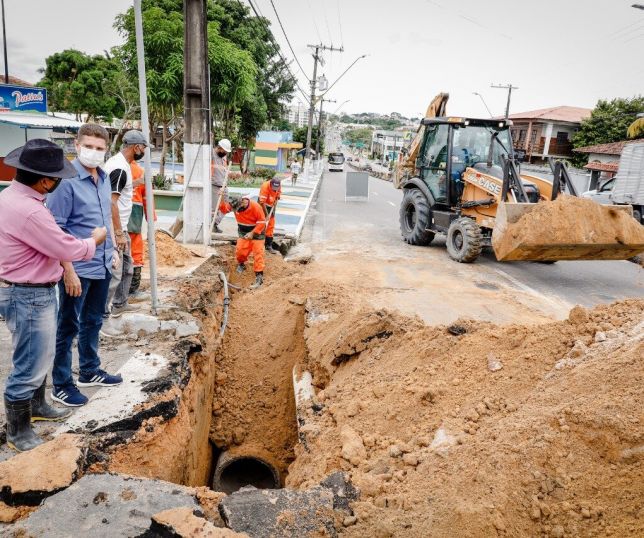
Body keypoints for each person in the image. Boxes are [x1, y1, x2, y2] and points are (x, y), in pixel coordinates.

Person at [0, 139, 107, 451]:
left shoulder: (12, 197)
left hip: (22, 289)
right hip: (29, 294)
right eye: (56, 178)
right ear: (45, 180)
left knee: (38, 353)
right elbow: (65, 247)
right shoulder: (31, 211)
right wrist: (94, 240)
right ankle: (18, 432)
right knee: (30, 362)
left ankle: (38, 406)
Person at [47, 123, 123, 407]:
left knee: (93, 321)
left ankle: (89, 370)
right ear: (76, 146)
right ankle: (62, 384)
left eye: (99, 148)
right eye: (88, 146)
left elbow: (104, 219)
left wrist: (113, 248)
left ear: (106, 151)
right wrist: (67, 270)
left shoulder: (103, 178)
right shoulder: (64, 183)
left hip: (101, 264)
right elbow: (56, 230)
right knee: (67, 326)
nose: (94, 152)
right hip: (77, 268)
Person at [103, 130, 148, 317]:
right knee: (115, 272)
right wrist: (119, 233)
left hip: (121, 226)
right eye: (144, 148)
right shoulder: (120, 168)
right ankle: (103, 315)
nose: (144, 151)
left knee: (127, 267)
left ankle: (120, 303)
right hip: (116, 228)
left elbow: (122, 188)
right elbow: (111, 202)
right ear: (136, 147)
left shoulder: (122, 165)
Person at [219, 195, 266, 289]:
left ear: (244, 202)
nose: (236, 211)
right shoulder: (235, 204)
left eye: (238, 209)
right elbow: (224, 209)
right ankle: (241, 264)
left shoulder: (256, 207)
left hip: (257, 232)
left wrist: (252, 233)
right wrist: (221, 198)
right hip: (243, 232)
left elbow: (262, 223)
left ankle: (259, 276)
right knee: (240, 251)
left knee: (258, 253)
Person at [127, 161, 155, 301]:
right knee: (135, 251)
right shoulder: (139, 170)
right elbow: (147, 196)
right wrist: (151, 217)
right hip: (134, 213)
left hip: (116, 214)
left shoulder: (110, 166)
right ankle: (131, 290)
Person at [211, 138, 231, 233]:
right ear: (219, 148)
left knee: (226, 207)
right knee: (214, 209)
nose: (225, 153)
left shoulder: (224, 157)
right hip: (214, 185)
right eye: (224, 151)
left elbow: (224, 170)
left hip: (223, 185)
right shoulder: (212, 154)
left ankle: (215, 222)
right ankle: (212, 225)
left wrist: (231, 174)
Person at [258, 176, 282, 254]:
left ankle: (268, 245)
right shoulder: (265, 186)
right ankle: (258, 243)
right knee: (261, 224)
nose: (275, 189)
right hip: (263, 205)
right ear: (271, 183)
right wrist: (267, 214)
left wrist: (276, 200)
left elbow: (278, 195)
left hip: (271, 205)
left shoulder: (278, 185)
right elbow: (262, 202)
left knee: (271, 224)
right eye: (273, 187)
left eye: (276, 187)